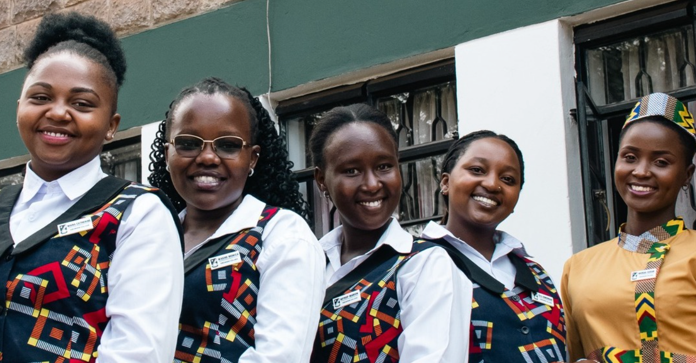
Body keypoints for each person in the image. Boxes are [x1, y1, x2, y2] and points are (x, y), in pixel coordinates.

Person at [1, 12, 184, 362]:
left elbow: (138, 353)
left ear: (111, 125)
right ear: (19, 108)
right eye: (40, 97)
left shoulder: (138, 214)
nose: (57, 113)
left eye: (81, 104)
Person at [148, 77, 325, 363]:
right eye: (188, 143)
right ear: (168, 153)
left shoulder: (282, 235)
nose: (207, 157)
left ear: (253, 158)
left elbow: (280, 358)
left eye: (228, 145)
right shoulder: (146, 236)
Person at [309, 103, 470, 363]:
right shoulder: (307, 263)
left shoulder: (424, 265)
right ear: (321, 180)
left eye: (384, 166)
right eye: (351, 171)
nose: (372, 184)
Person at [562, 93, 696, 362]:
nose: (642, 171)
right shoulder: (578, 267)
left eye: (661, 162)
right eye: (630, 157)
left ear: (686, 175)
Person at [420, 130, 567, 362]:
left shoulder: (536, 274)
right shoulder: (414, 263)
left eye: (508, 179)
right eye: (477, 170)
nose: (492, 184)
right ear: (446, 183)